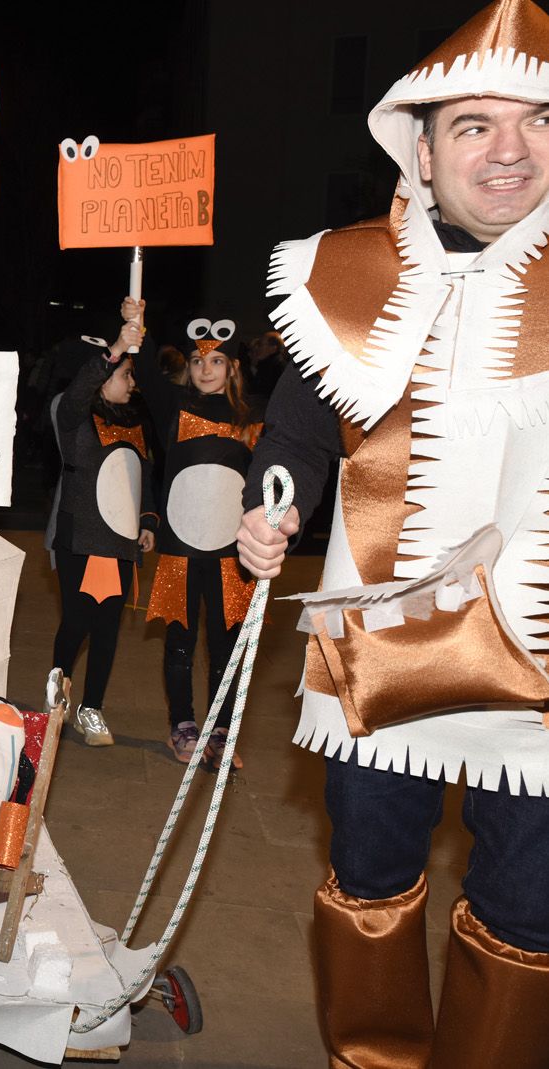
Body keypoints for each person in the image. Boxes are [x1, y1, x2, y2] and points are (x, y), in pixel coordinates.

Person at [236, 3, 549, 1063]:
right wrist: (271, 504)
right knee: (370, 871)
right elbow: (295, 436)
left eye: (534, 122)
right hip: (378, 641)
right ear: (421, 146)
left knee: (529, 905)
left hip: (545, 659)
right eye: (474, 126)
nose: (509, 151)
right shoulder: (344, 274)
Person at [133, 304, 263, 768]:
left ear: (232, 368)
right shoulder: (177, 408)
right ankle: (183, 726)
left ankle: (222, 729)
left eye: (216, 361)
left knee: (226, 640)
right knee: (181, 640)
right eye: (197, 360)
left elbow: (270, 477)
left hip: (234, 552)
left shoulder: (250, 417)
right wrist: (138, 324)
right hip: (182, 548)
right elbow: (146, 373)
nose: (206, 369)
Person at [48, 317, 157, 745]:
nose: (131, 382)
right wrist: (113, 352)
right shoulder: (73, 415)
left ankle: (91, 708)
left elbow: (141, 477)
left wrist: (148, 520)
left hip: (117, 543)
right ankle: (57, 696)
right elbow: (77, 394)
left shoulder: (132, 423)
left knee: (108, 628)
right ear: (101, 377)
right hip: (79, 539)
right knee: (76, 622)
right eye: (125, 374)